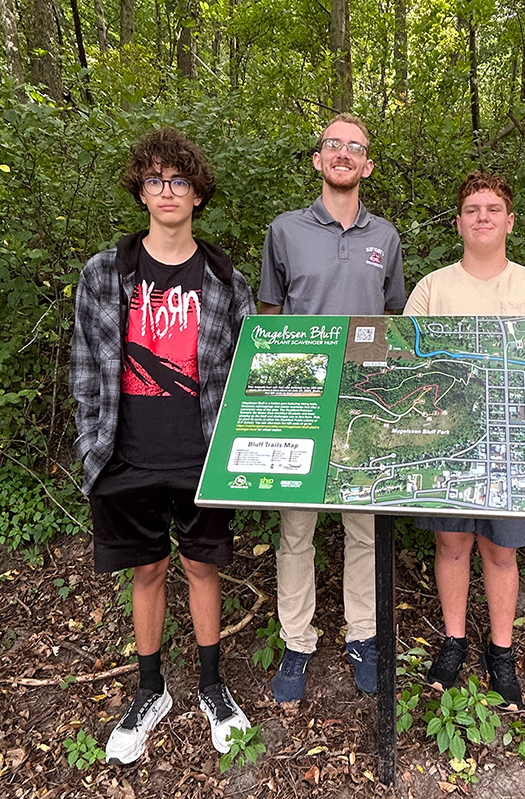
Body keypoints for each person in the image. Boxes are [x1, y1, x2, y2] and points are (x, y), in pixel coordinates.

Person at [70, 127, 254, 765]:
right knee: (146, 571)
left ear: (198, 193)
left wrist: (239, 450)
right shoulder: (106, 273)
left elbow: (248, 371)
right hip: (127, 457)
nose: (167, 191)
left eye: (178, 180)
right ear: (141, 191)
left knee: (203, 567)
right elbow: (88, 369)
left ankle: (211, 685)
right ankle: (150, 690)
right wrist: (95, 448)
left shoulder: (226, 279)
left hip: (203, 453)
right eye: (154, 179)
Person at [403, 172, 525, 710]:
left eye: (493, 208)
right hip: (448, 442)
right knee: (451, 544)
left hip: (511, 442)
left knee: (501, 551)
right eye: (472, 208)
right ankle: (453, 641)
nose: (482, 216)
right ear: (458, 222)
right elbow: (408, 361)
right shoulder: (433, 287)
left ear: (509, 221)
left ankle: (502, 650)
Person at [258, 113, 405, 702]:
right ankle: (297, 641)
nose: (343, 154)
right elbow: (269, 317)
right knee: (296, 530)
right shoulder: (285, 232)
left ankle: (363, 634)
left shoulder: (385, 238)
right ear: (319, 159)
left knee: (363, 528)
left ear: (366, 165)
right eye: (333, 145)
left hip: (362, 402)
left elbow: (391, 319)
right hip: (298, 398)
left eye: (356, 147)